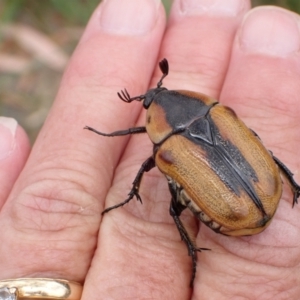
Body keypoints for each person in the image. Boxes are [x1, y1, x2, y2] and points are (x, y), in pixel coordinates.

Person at [0, 0, 299, 299]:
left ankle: (191, 248)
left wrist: (111, 139)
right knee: (264, 157)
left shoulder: (167, 146)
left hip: (237, 207)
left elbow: (141, 156)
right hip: (241, 203)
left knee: (172, 210)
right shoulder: (213, 115)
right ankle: (291, 189)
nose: (153, 94)